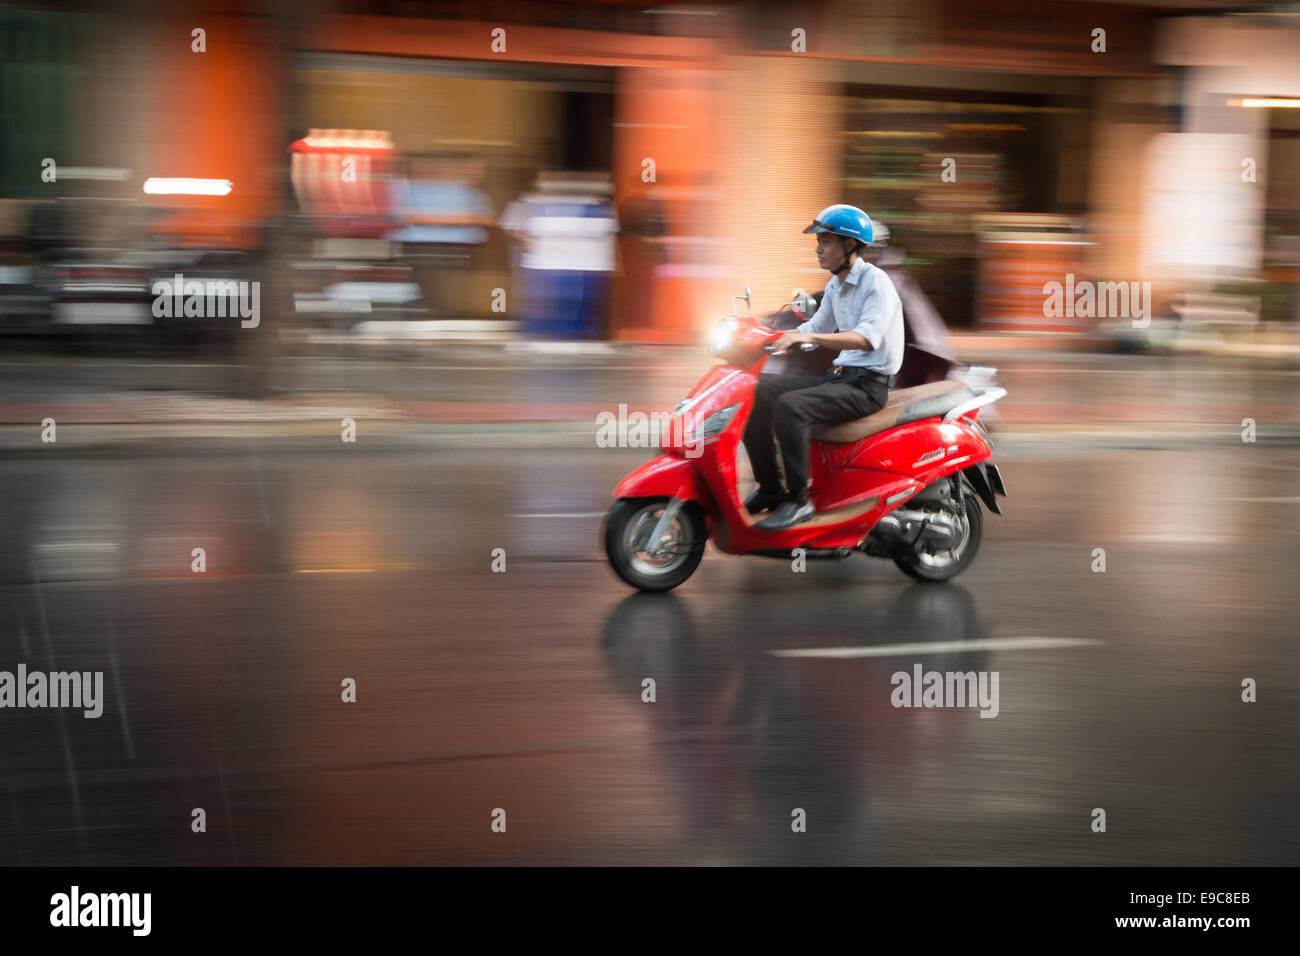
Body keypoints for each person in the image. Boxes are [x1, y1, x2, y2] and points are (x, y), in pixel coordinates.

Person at [742, 204, 904, 531]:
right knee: (756, 393)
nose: (818, 249)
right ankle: (771, 488)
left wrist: (810, 335)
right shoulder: (835, 286)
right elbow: (815, 327)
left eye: (826, 241)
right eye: (818, 242)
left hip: (868, 388)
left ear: (849, 245)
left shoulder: (877, 283)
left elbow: (865, 339)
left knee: (791, 408)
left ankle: (800, 501)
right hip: (841, 380)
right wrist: (772, 337)